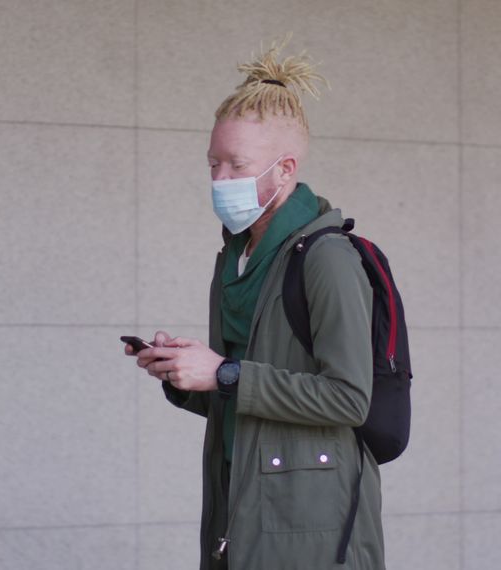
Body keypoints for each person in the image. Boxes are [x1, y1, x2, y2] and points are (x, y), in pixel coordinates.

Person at [126, 37, 384, 569]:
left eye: (236, 165)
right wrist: (184, 374)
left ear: (285, 170)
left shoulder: (327, 258)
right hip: (237, 504)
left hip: (311, 526)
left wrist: (222, 373)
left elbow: (348, 399)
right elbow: (247, 395)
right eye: (212, 164)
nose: (220, 180)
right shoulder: (235, 257)